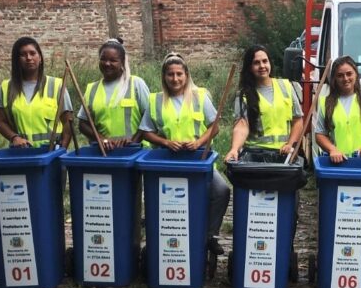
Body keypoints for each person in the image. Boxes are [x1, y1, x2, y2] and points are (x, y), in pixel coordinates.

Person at [139, 53, 230, 254]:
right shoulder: (155, 100)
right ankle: (160, 236)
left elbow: (214, 127)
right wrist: (166, 142)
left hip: (198, 159)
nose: (175, 79)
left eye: (179, 74)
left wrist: (198, 142)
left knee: (222, 190)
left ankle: (210, 235)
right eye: (170, 74)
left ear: (186, 75)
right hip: (167, 160)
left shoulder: (200, 97)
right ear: (164, 77)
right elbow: (146, 131)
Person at [225, 44, 303, 161]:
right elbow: (241, 126)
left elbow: (297, 120)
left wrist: (290, 144)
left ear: (270, 63)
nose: (262, 66)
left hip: (283, 155)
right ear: (249, 67)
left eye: (265, 61)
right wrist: (235, 149)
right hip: (255, 155)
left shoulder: (286, 86)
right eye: (256, 63)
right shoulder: (244, 95)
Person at [0, 36, 73, 148]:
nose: (28, 58)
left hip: (50, 155)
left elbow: (68, 122)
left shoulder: (57, 85)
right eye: (23, 54)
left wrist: (62, 150)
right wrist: (14, 138)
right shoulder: (5, 88)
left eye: (32, 53)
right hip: (21, 154)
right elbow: (0, 122)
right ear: (17, 60)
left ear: (40, 58)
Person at [77, 38, 150, 149]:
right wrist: (101, 139)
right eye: (103, 59)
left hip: (135, 152)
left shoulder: (136, 84)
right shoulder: (92, 89)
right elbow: (83, 124)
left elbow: (149, 117)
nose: (107, 64)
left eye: (113, 60)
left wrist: (133, 141)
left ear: (122, 62)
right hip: (104, 154)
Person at [314, 55, 361, 163]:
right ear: (334, 78)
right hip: (338, 164)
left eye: (349, 74)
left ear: (356, 74)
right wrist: (332, 149)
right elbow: (320, 134)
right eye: (340, 75)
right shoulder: (325, 103)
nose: (345, 79)